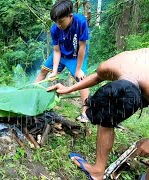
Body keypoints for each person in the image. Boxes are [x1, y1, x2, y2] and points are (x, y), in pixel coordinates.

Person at [47, 48, 149, 180]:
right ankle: (97, 171)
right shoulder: (108, 67)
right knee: (107, 116)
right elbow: (97, 76)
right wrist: (68, 89)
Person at [36, 0, 90, 122]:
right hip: (61, 54)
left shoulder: (81, 22)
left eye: (61, 21)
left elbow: (82, 47)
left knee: (82, 80)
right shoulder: (55, 28)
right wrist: (54, 71)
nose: (58, 25)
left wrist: (78, 69)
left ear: (70, 16)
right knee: (43, 71)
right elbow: (56, 51)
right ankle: (32, 96)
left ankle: (85, 113)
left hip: (76, 56)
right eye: (56, 22)